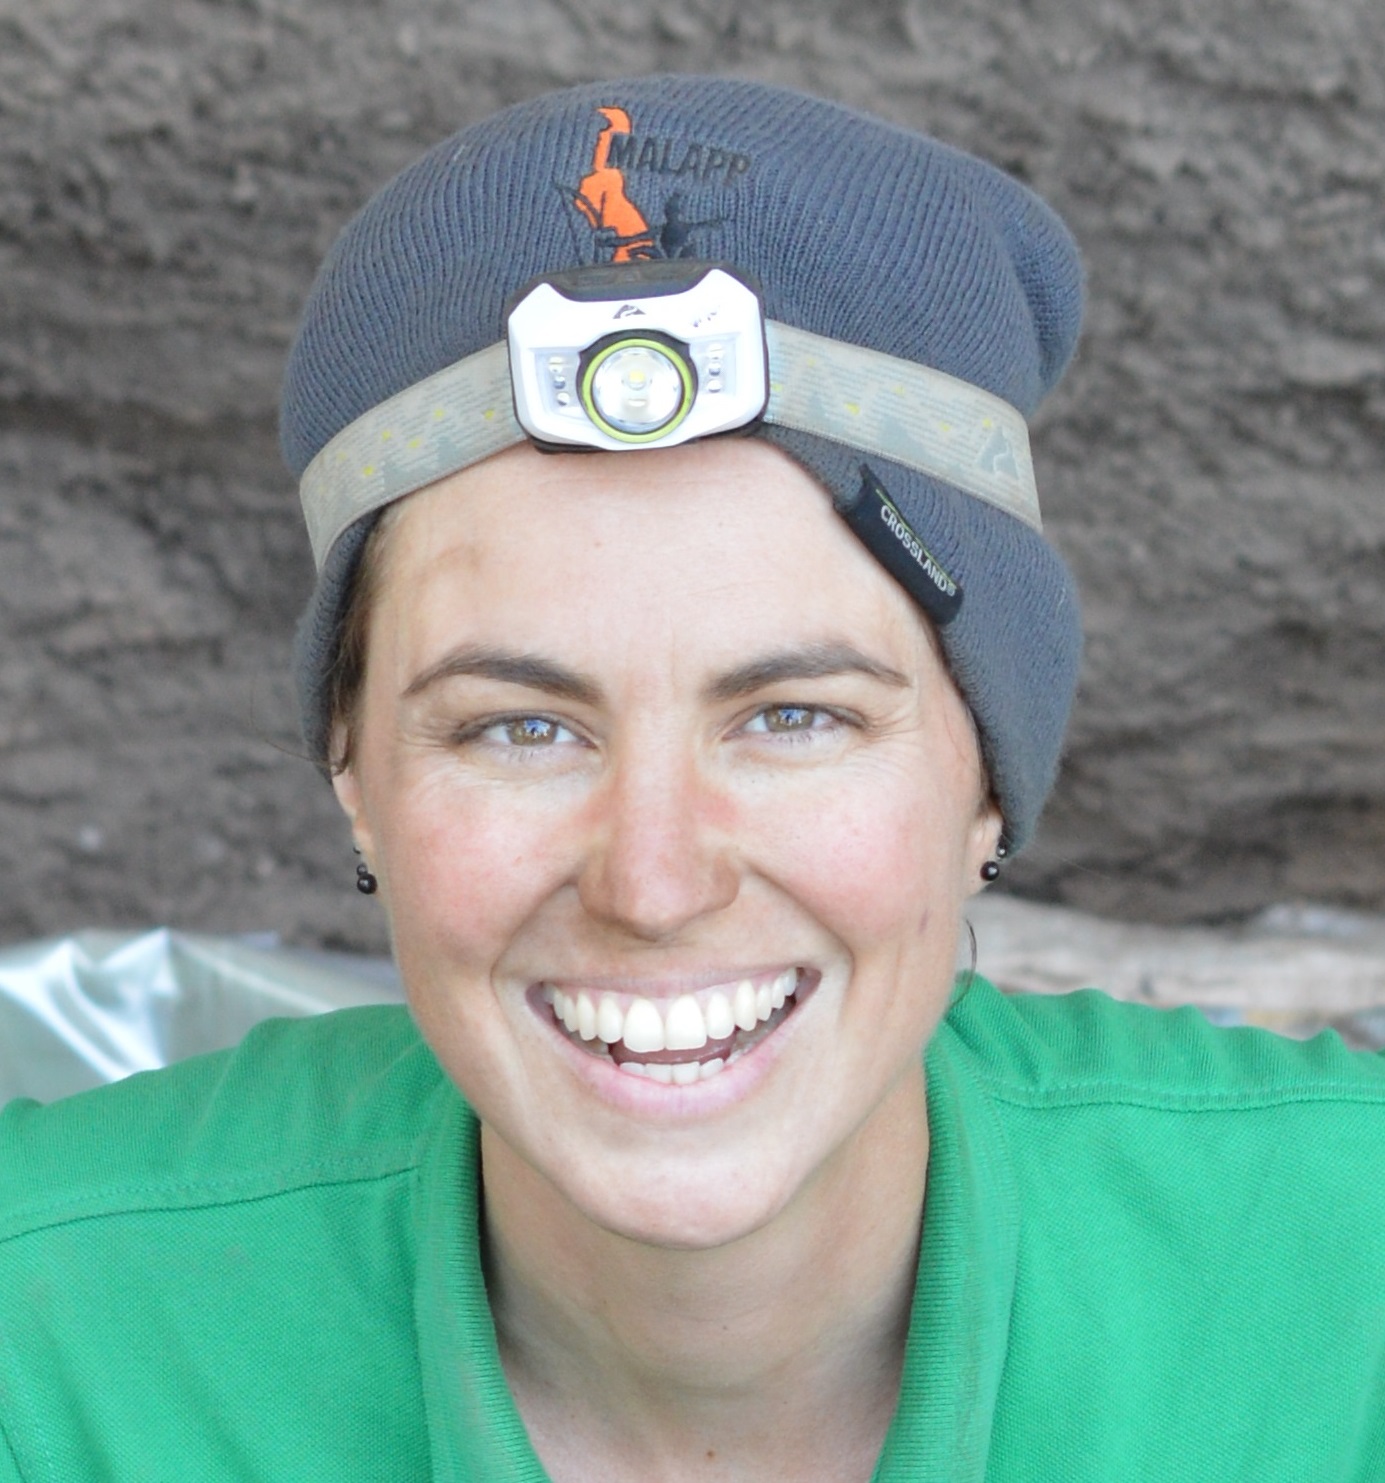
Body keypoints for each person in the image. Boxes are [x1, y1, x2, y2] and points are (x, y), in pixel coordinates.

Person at [0, 75, 1382, 1482]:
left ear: (987, 779)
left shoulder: (1348, 1287)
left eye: (792, 717)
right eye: (520, 729)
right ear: (354, 775)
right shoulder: (44, 1352)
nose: (653, 884)